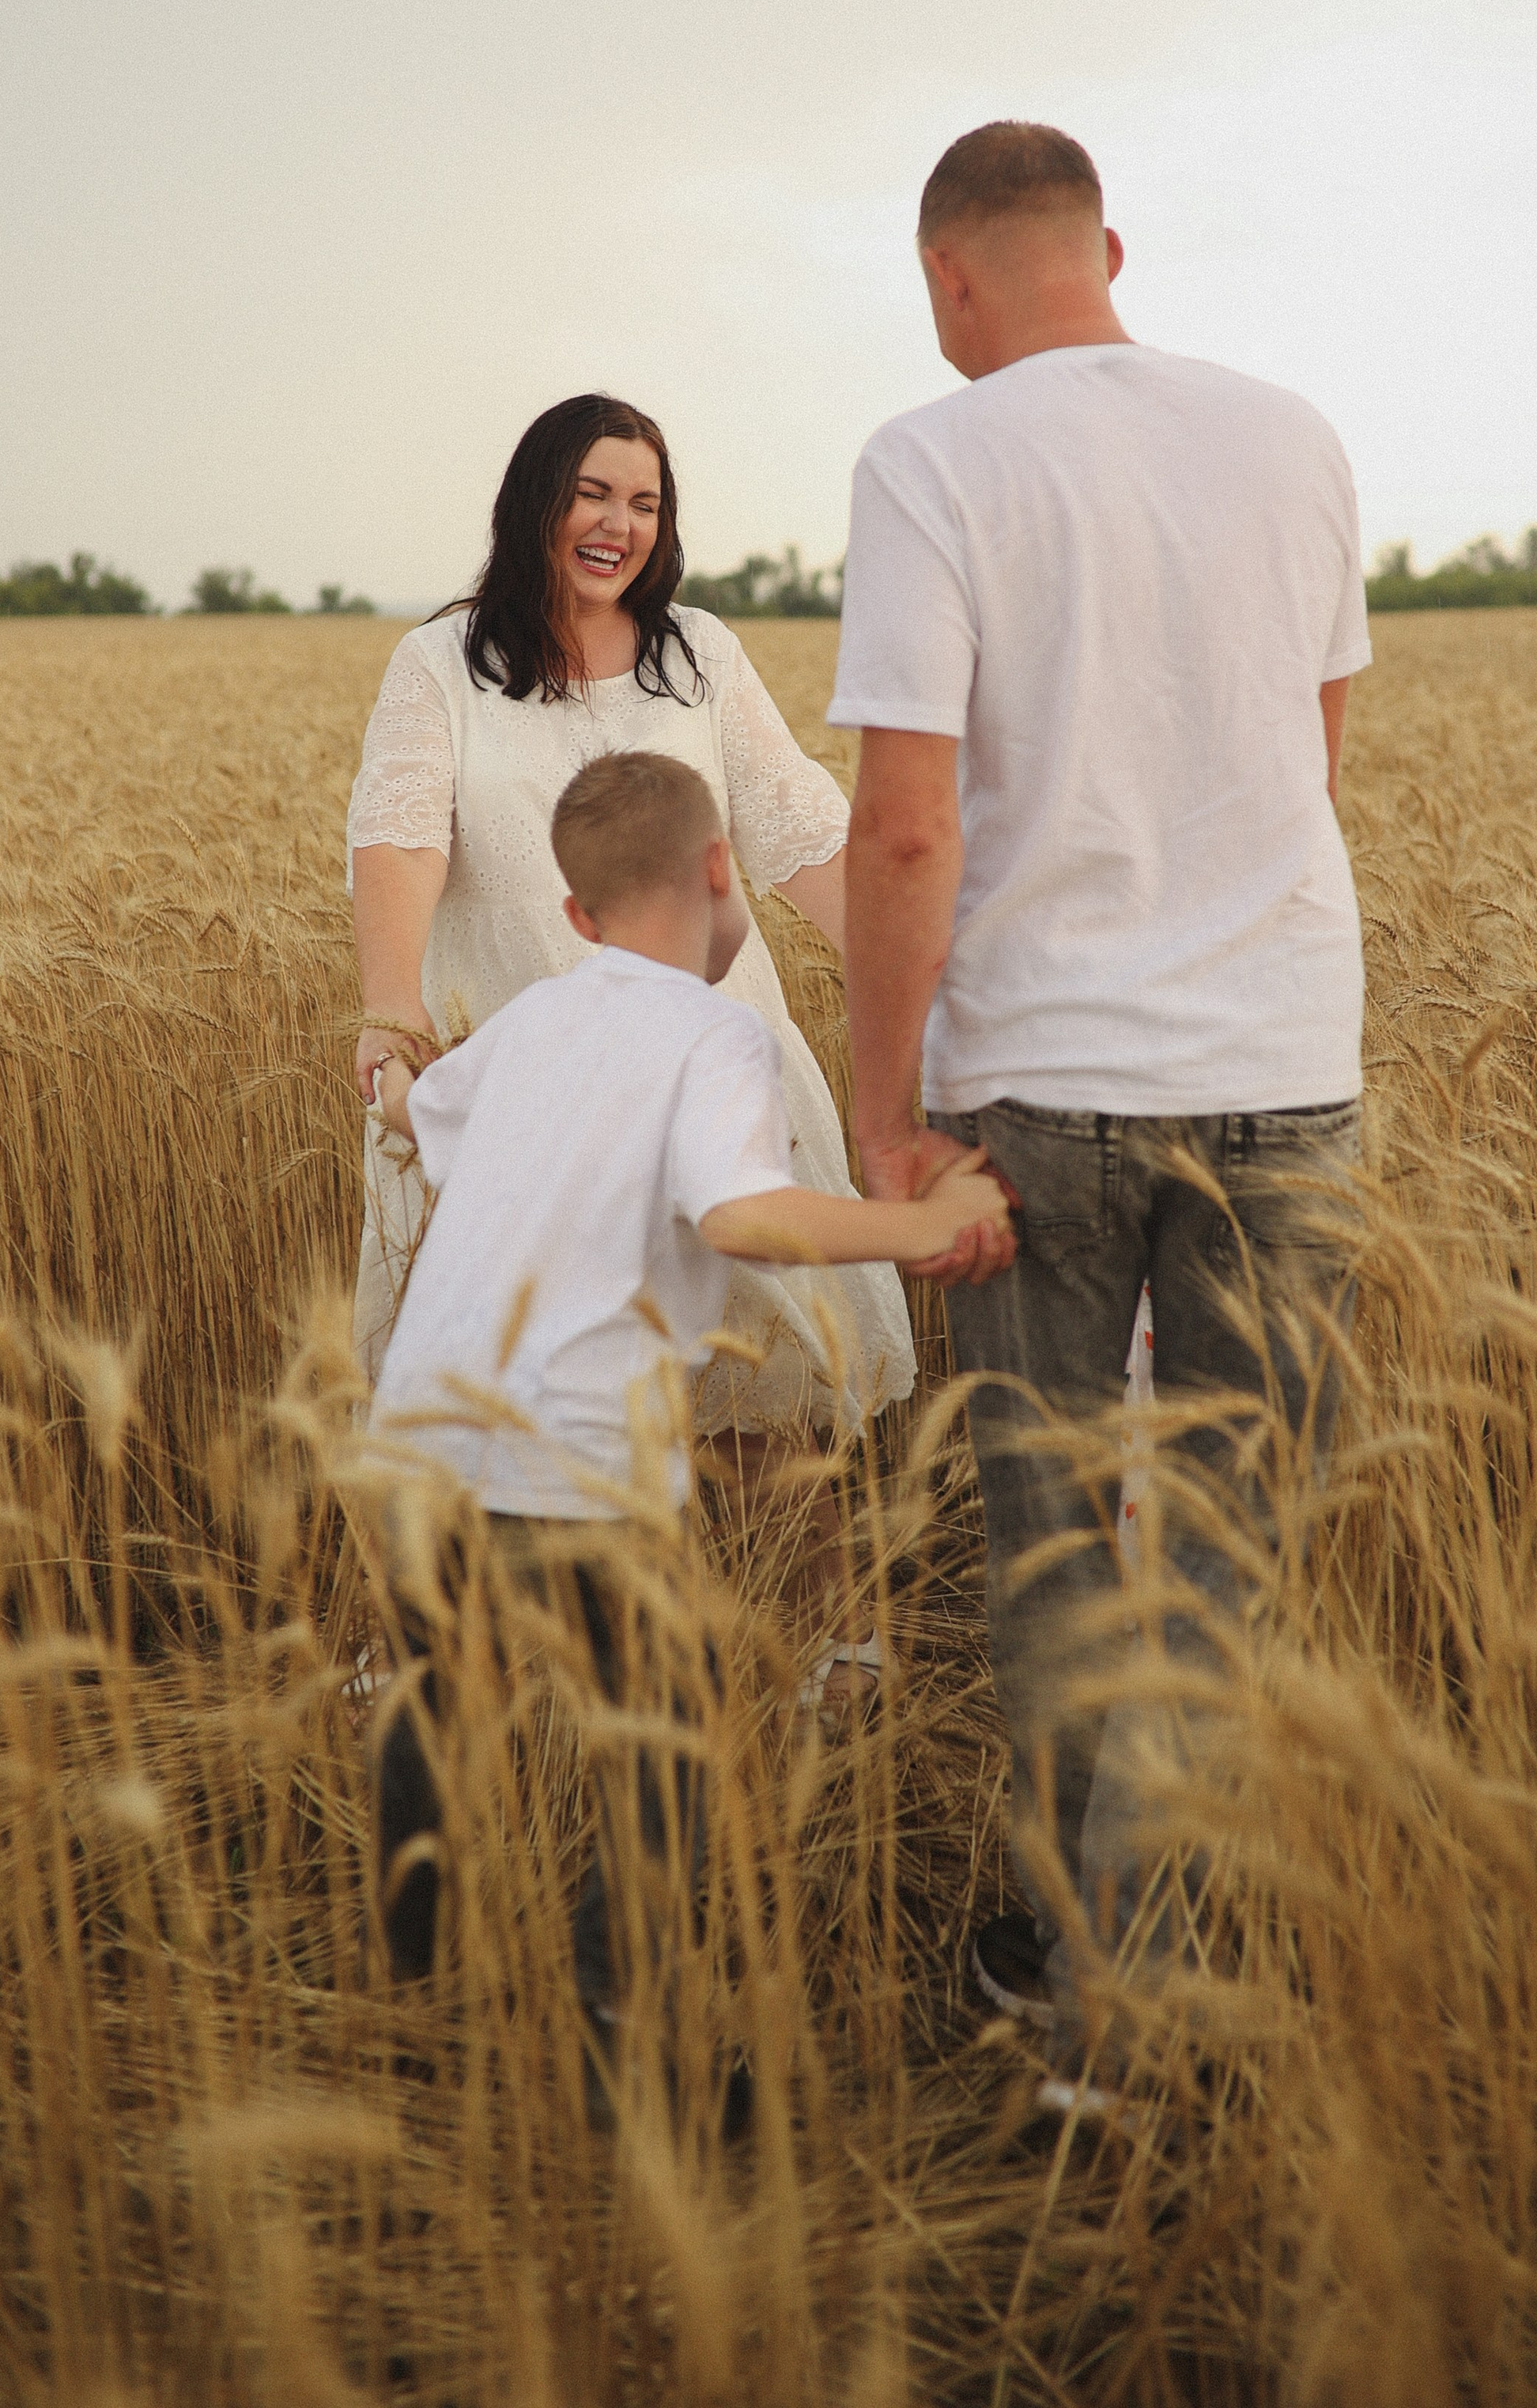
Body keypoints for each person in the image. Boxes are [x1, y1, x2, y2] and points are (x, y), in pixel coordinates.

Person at [829, 121, 1369, 2119]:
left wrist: (886, 1120)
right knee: (1224, 1542)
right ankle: (1143, 1952)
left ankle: (1099, 2006)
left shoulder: (934, 458)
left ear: (945, 276)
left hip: (1042, 1086)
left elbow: (903, 823)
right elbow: (1310, 753)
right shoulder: (1290, 435)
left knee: (1055, 1543)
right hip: (1288, 1070)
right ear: (1109, 250)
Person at [360, 751, 1008, 2117]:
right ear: (726, 878)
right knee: (657, 1748)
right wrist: (915, 1230)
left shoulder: (531, 1019)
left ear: (579, 921)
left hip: (424, 1436)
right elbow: (740, 1215)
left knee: (438, 1694)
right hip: (581, 1460)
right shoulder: (722, 1037)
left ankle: (411, 1979)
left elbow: (421, 1116)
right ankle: (631, 2057)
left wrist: (391, 1072)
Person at [346, 392, 918, 1707]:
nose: (619, 524)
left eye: (645, 502)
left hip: (715, 1059)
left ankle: (836, 1651)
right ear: (539, 500)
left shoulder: (698, 654)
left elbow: (794, 837)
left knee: (769, 1374)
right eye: (595, 494)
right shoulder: (444, 664)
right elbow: (399, 833)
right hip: (522, 1068)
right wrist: (392, 1014)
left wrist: (927, 986)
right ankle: (462, 1668)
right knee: (500, 1368)